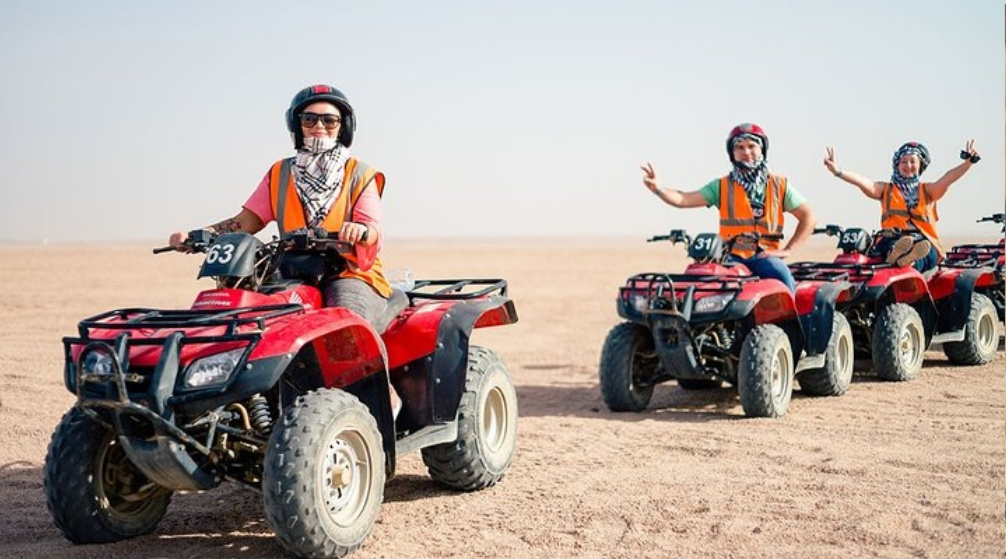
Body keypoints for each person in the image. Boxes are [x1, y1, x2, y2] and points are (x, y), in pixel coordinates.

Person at [168, 83, 400, 413]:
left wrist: (360, 231)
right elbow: (245, 222)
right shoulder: (281, 172)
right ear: (296, 124)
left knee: (348, 325)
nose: (319, 126)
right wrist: (200, 235)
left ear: (343, 127)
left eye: (329, 120)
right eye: (309, 119)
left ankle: (381, 400)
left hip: (349, 272)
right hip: (293, 270)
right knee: (247, 319)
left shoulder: (360, 174)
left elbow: (373, 228)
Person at [640, 123, 816, 293]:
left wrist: (787, 250)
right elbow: (684, 199)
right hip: (730, 257)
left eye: (752, 146)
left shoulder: (779, 186)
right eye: (739, 147)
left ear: (762, 149)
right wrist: (657, 189)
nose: (746, 152)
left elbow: (808, 217)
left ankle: (794, 314)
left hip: (764, 256)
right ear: (732, 153)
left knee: (781, 274)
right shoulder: (721, 186)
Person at [822, 140, 981, 272]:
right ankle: (897, 254)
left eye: (913, 161)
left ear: (920, 165)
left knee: (929, 253)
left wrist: (968, 163)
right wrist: (838, 171)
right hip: (892, 238)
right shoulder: (885, 189)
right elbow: (864, 182)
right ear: (897, 164)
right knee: (889, 246)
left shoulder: (928, 190)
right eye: (903, 161)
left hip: (923, 241)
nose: (908, 165)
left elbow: (947, 179)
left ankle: (908, 260)